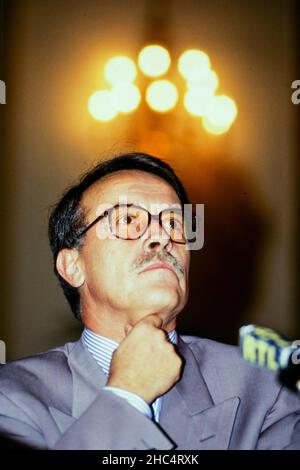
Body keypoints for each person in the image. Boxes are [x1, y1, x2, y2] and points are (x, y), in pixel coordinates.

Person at [0, 152, 299, 450]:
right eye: (127, 219)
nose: (161, 237)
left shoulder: (265, 387)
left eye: (173, 223)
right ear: (72, 266)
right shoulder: (11, 397)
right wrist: (128, 394)